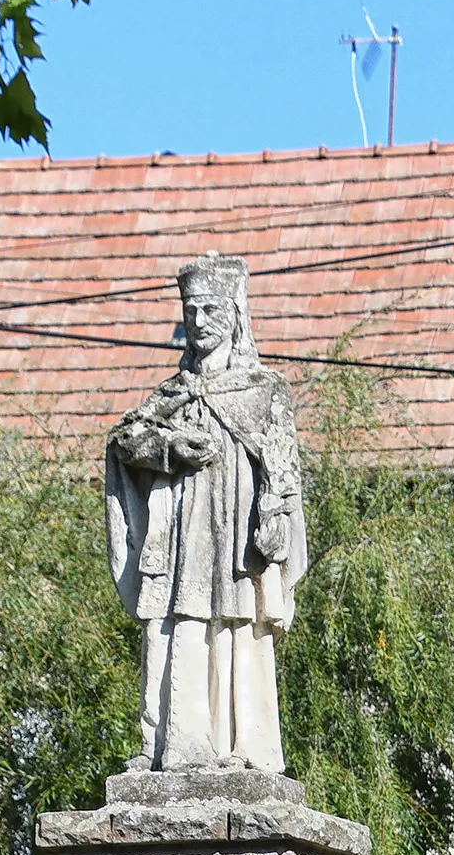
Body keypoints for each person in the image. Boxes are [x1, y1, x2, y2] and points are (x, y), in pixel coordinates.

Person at [105, 254, 307, 772]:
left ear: (235, 312)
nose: (197, 322)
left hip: (238, 534)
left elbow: (282, 467)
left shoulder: (264, 391)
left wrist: (275, 519)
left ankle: (244, 746)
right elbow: (125, 440)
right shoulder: (173, 395)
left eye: (209, 309)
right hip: (182, 534)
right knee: (177, 624)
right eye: (189, 310)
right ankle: (172, 745)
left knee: (239, 626)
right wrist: (171, 449)